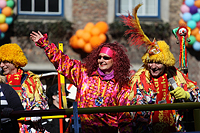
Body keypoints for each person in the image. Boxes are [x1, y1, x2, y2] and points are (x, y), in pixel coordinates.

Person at [30, 31, 133, 133]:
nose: (101, 60)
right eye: (99, 57)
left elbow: (125, 118)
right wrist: (45, 45)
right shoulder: (84, 74)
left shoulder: (121, 85)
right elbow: (64, 62)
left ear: (115, 60)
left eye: (106, 58)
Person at [122, 4, 199, 133]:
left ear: (166, 63)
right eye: (151, 62)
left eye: (158, 63)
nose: (153, 66)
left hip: (175, 129)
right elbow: (132, 104)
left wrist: (187, 95)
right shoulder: (139, 79)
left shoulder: (176, 75)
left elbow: (198, 96)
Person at [0, 43, 49, 133]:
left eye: (5, 61)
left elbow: (42, 99)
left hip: (31, 128)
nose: (1, 65)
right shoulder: (1, 82)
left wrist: (37, 108)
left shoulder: (31, 79)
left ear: (14, 60)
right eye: (0, 62)